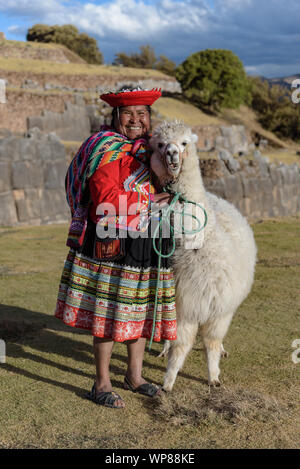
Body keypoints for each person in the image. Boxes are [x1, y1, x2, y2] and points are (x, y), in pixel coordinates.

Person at [54, 87, 177, 409]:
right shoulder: (105, 149)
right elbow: (104, 202)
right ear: (115, 117)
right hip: (111, 242)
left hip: (146, 240)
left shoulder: (153, 150)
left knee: (137, 309)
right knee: (109, 313)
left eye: (142, 114)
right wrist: (149, 201)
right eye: (128, 115)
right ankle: (101, 382)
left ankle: (134, 377)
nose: (136, 121)